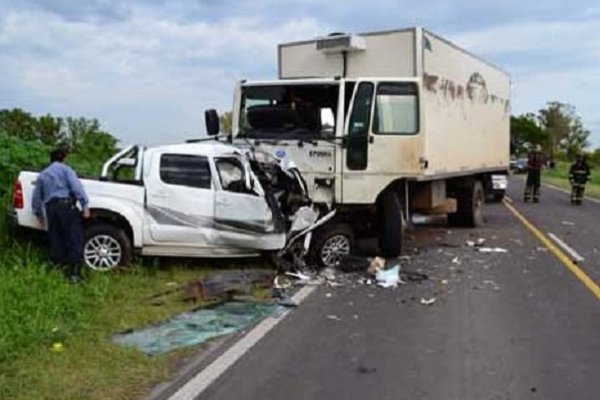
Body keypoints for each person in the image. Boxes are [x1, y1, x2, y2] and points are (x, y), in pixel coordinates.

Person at [32, 148, 90, 283]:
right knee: (74, 238)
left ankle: (58, 271)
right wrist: (85, 205)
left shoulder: (43, 175)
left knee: (56, 238)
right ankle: (74, 275)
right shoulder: (66, 170)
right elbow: (76, 188)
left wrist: (39, 214)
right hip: (66, 206)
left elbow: (36, 198)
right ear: (64, 158)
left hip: (50, 209)